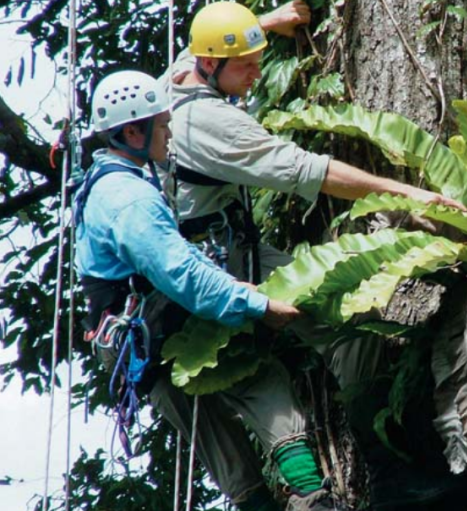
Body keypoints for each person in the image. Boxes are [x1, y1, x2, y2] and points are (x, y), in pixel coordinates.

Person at [162, 0, 467, 508]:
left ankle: (384, 459)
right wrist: (409, 195)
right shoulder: (212, 126)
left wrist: (266, 24)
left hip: (222, 252)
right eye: (247, 65)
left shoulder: (176, 78)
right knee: (352, 322)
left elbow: (211, 44)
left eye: (259, 60)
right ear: (211, 65)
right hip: (219, 270)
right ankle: (386, 467)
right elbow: (313, 172)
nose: (258, 73)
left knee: (348, 315)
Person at [74, 70, 345, 511]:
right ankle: (310, 496)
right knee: (261, 380)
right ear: (132, 131)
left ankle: (266, 502)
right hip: (166, 332)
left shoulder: (104, 182)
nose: (169, 132)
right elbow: (179, 272)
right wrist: (255, 302)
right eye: (162, 125)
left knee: (218, 443)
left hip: (141, 350)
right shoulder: (130, 200)